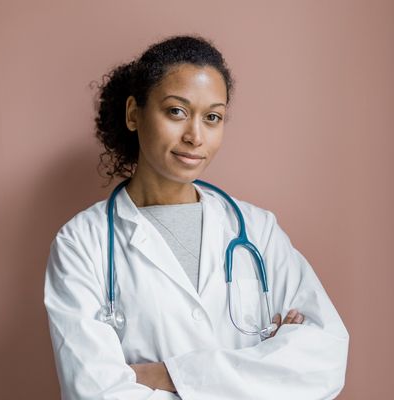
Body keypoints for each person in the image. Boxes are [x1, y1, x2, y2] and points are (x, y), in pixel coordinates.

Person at [43, 35, 349, 400]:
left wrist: (168, 374)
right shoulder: (81, 243)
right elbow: (95, 392)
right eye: (176, 111)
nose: (195, 136)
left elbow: (324, 361)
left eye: (212, 117)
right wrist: (265, 367)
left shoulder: (258, 230)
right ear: (133, 114)